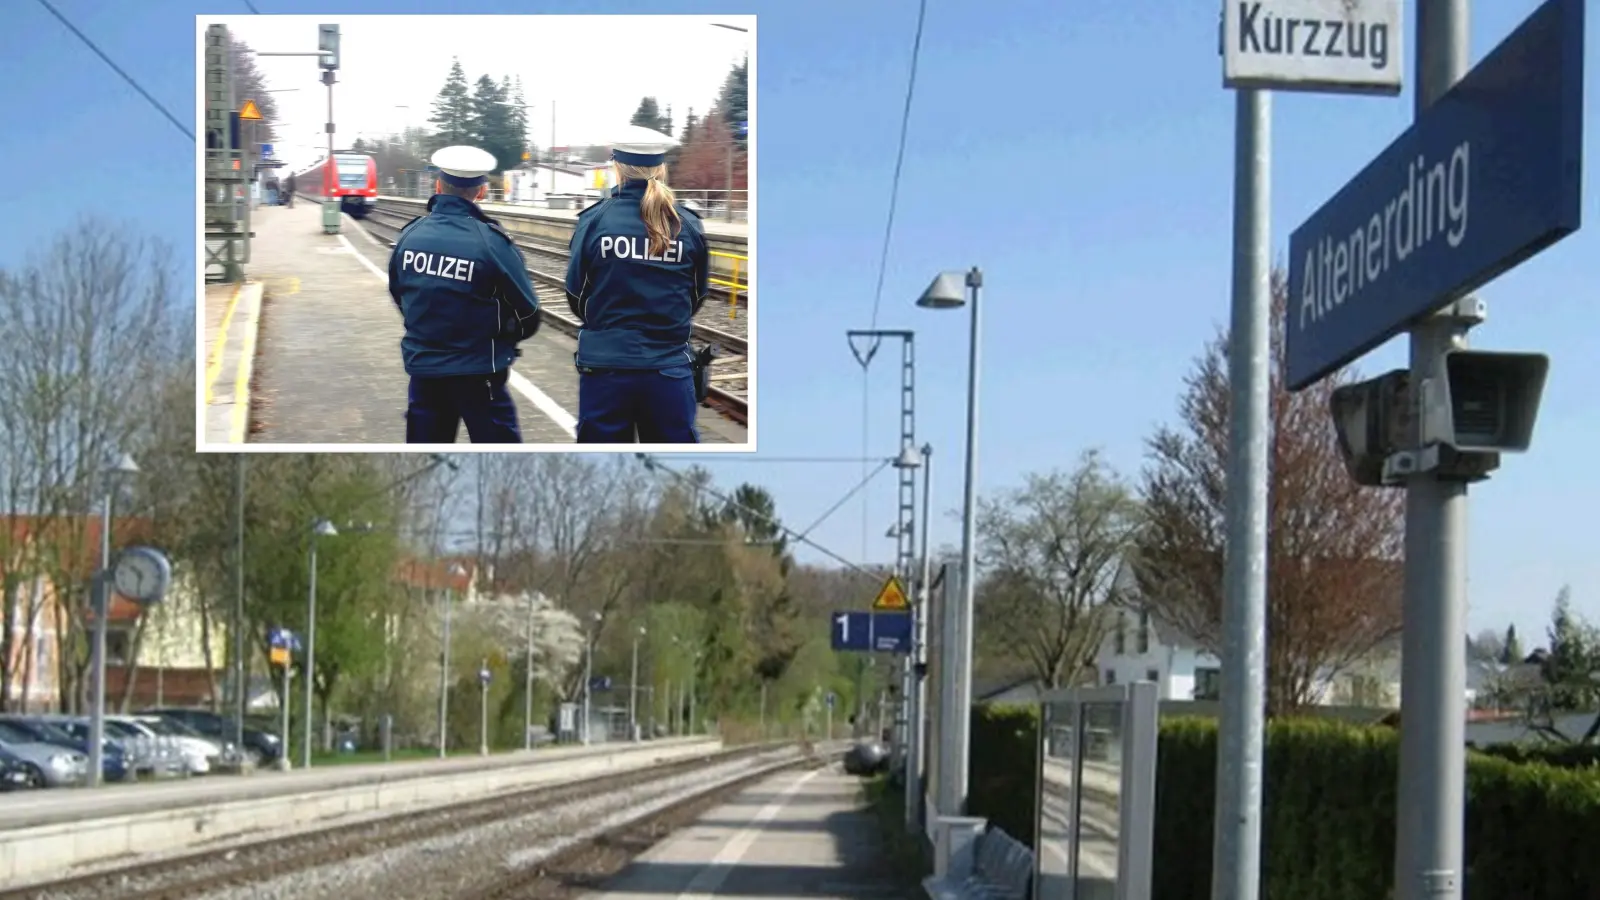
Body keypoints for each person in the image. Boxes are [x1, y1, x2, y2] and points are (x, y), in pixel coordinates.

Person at [564, 125, 711, 443]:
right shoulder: (687, 224)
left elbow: (576, 295)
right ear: (661, 168)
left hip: (605, 371)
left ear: (616, 167)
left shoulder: (594, 221)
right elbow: (697, 295)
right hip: (669, 371)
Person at [388, 145, 541, 443]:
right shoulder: (491, 242)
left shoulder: (409, 235)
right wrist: (503, 337)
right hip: (480, 372)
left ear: (438, 185)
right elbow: (529, 312)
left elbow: (398, 293)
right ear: (481, 191)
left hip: (425, 371)